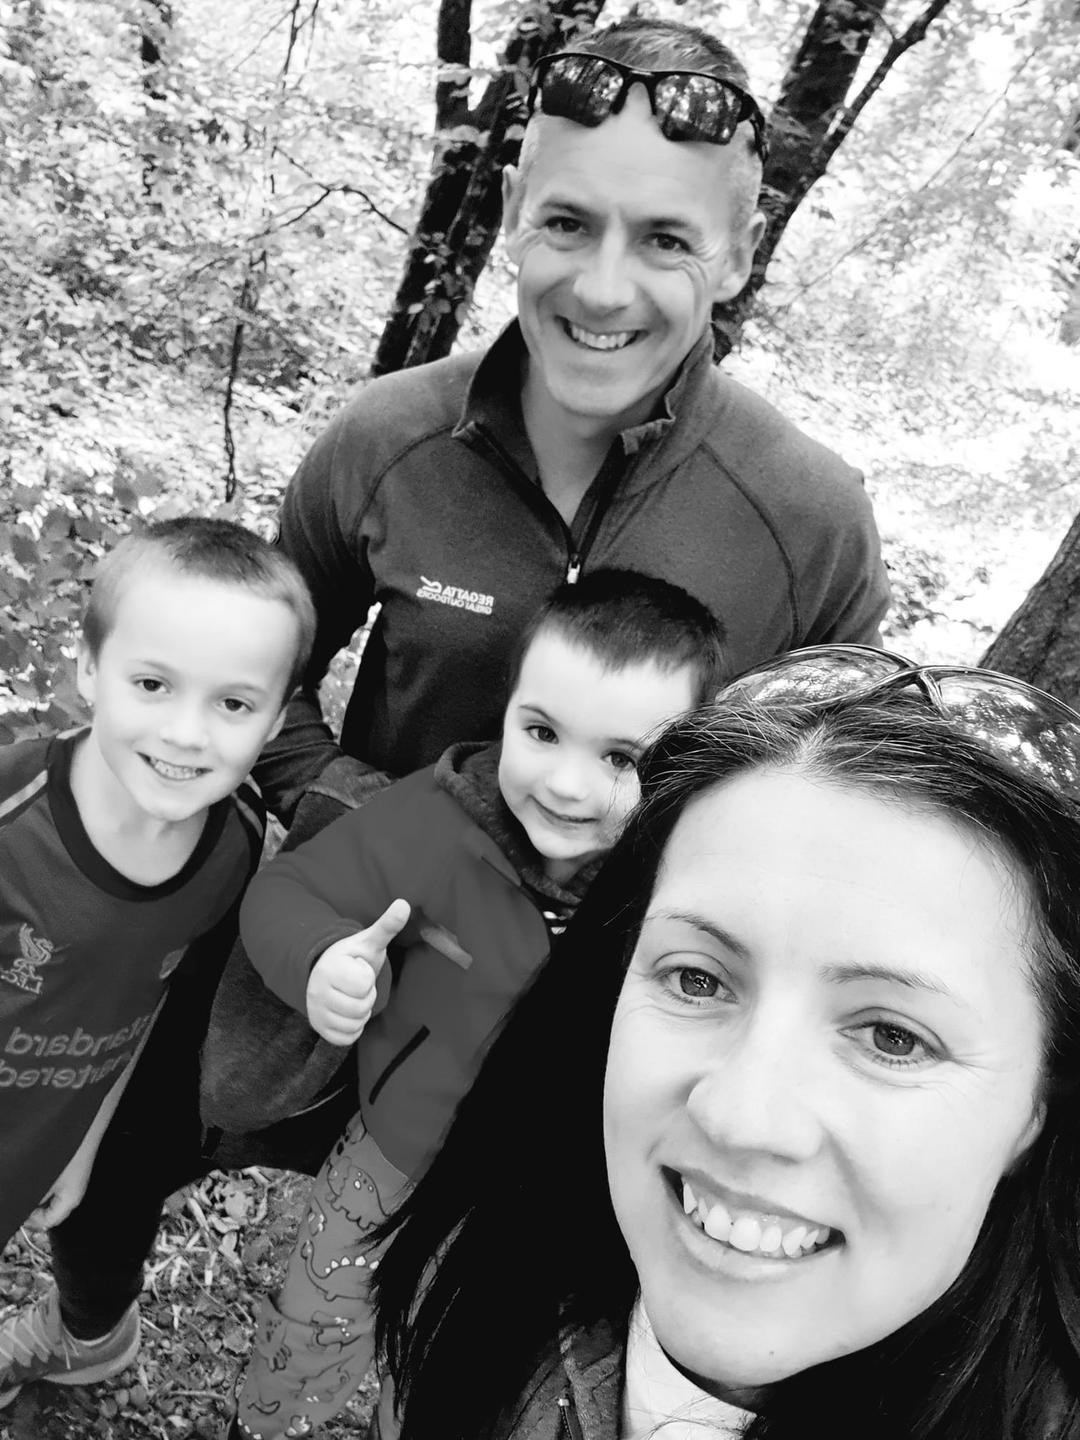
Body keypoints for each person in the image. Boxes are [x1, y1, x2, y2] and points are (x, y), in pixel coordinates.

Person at [371, 646, 1080, 1440]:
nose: (739, 1119)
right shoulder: (498, 1262)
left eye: (892, 1036)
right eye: (697, 979)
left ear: (1037, 1108)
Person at [251, 13, 891, 834]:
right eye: (568, 223)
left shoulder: (811, 522)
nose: (602, 290)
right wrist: (365, 826)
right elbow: (250, 675)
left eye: (666, 240)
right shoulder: (387, 438)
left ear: (738, 255)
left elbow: (838, 811)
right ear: (514, 211)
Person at [222, 570, 727, 1440]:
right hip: (392, 1156)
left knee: (453, 1364)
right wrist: (321, 959)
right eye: (542, 732)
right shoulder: (433, 822)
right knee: (315, 1326)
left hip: (544, 1199)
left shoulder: (681, 877)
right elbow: (289, 891)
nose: (566, 785)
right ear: (506, 709)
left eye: (620, 758)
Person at [0, 517, 315, 1408]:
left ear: (278, 718)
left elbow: (144, 1005)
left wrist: (83, 1143)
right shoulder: (12, 821)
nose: (186, 734)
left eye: (233, 704)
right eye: (152, 684)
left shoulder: (235, 847)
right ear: (88, 669)